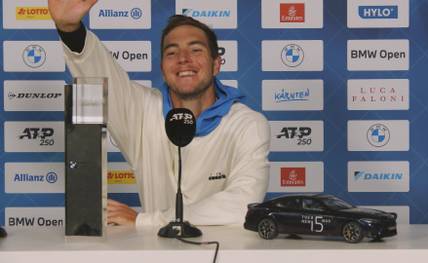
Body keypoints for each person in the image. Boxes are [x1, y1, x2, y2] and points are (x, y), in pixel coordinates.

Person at [48, 0, 270, 228]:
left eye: (195, 50)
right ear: (163, 68)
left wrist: (145, 221)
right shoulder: (143, 110)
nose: (183, 58)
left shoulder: (247, 124)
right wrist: (70, 31)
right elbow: (101, 75)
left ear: (216, 64)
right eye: (172, 52)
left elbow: (243, 204)